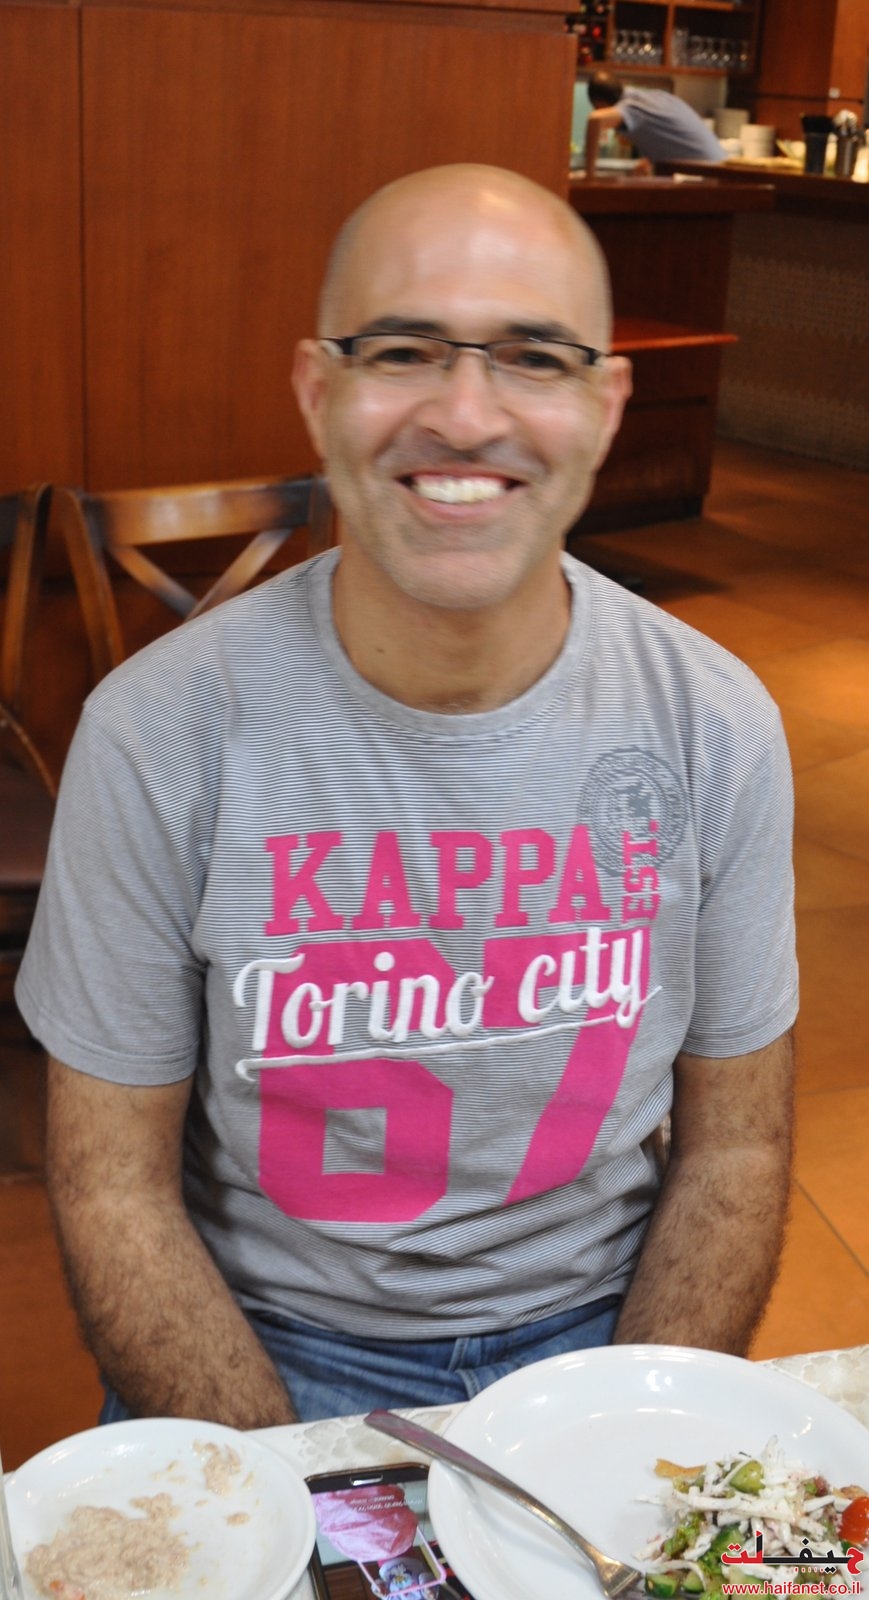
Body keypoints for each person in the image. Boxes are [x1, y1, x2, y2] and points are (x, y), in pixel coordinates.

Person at [16, 164, 797, 1431]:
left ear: (603, 407)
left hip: (600, 1335)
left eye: (533, 356)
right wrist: (304, 1492)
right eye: (401, 350)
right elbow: (114, 1190)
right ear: (316, 391)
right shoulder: (155, 735)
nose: (465, 414)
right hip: (264, 1345)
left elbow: (738, 1148)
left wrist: (626, 1424)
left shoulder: (715, 725)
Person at [583, 70, 725, 178]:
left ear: (599, 104)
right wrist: (651, 160)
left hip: (706, 177)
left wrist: (589, 175)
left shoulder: (631, 107)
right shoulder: (652, 97)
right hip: (721, 171)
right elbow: (670, 136)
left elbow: (595, 119)